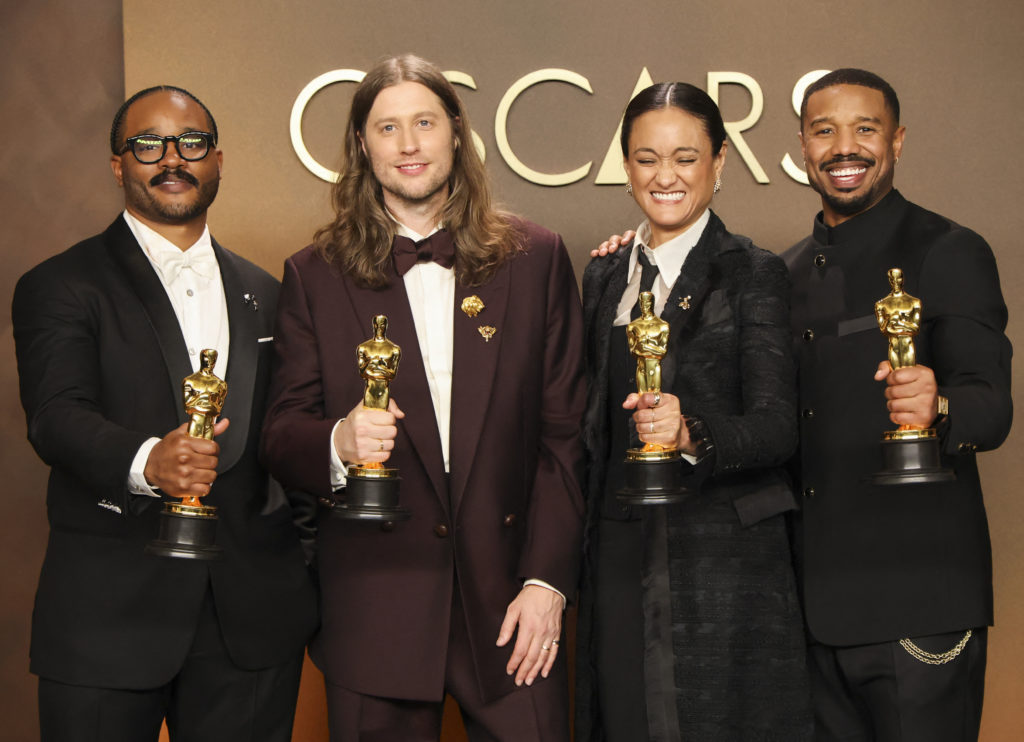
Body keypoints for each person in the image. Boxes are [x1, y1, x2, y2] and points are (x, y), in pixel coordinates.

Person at [259, 54, 585, 741]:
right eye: (387, 128)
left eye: (425, 123)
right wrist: (337, 445)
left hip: (513, 613)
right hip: (375, 611)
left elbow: (564, 438)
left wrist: (546, 583)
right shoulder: (311, 276)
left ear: (457, 134)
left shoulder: (539, 258)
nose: (408, 145)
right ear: (361, 147)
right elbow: (280, 432)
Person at [11, 86, 317, 742]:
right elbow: (56, 416)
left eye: (191, 143)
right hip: (106, 620)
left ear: (219, 161)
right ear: (119, 164)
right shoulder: (59, 284)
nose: (171, 158)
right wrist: (148, 460)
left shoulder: (269, 292)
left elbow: (287, 437)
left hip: (251, 622)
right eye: (148, 144)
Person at [575, 82, 811, 741]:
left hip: (721, 566)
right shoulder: (604, 274)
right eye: (647, 158)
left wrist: (690, 433)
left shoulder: (752, 272)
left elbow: (776, 426)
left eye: (685, 157)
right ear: (626, 169)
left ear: (721, 163)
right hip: (620, 550)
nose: (665, 176)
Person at [784, 68, 1012, 742]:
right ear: (803, 147)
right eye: (824, 131)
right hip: (813, 614)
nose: (843, 148)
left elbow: (991, 407)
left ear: (898, 140)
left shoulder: (951, 249)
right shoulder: (784, 272)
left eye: (865, 130)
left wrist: (936, 406)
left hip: (920, 605)